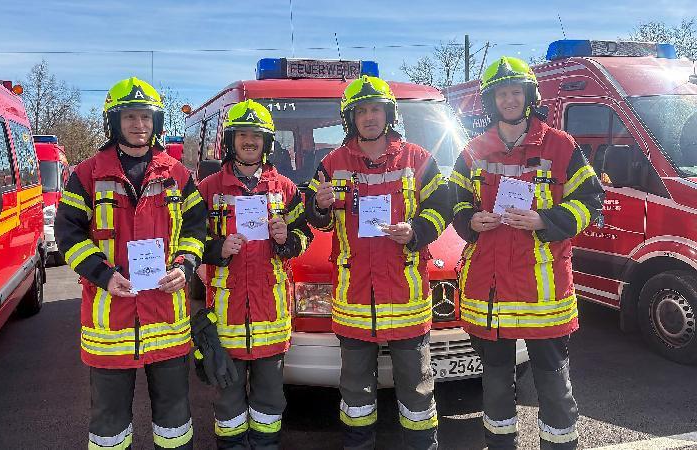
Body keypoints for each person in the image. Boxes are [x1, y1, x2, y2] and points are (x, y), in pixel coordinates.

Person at [449, 57, 604, 450]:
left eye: (516, 91)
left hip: (544, 294)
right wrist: (470, 221)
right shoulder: (472, 151)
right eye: (501, 93)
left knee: (554, 388)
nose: (510, 99)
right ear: (491, 100)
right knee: (497, 389)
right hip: (490, 292)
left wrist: (544, 220)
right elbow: (452, 203)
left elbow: (591, 201)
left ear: (529, 95)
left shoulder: (561, 145)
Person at [54, 77, 207, 449]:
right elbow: (68, 235)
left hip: (167, 318)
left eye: (146, 118)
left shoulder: (179, 175)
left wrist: (185, 266)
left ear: (157, 123)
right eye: (131, 117)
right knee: (108, 426)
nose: (139, 125)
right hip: (111, 323)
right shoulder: (86, 175)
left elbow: (196, 229)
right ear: (115, 122)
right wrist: (102, 275)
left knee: (174, 423)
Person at [305, 75, 451, 450]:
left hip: (407, 298)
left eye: (376, 109)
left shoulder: (419, 159)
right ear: (350, 117)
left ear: (389, 113)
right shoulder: (331, 163)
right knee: (355, 392)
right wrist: (318, 206)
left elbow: (443, 207)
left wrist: (416, 230)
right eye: (362, 111)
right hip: (353, 299)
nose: (369, 117)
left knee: (417, 390)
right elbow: (312, 218)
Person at [197, 99, 313, 450]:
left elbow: (304, 236)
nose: (249, 142)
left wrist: (286, 240)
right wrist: (216, 248)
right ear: (231, 141)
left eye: (256, 136)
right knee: (228, 407)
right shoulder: (208, 189)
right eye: (243, 135)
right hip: (226, 317)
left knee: (269, 404)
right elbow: (185, 241)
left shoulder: (286, 190)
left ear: (267, 143)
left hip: (271, 317)